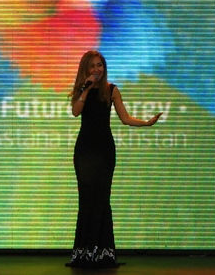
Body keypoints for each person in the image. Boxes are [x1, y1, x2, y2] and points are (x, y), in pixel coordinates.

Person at [66, 50, 162, 269]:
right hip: (85, 151)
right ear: (86, 69)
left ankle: (103, 254)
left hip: (104, 152)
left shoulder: (111, 90)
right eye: (92, 66)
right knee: (86, 200)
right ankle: (83, 254)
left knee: (101, 200)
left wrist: (146, 123)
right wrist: (86, 87)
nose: (97, 69)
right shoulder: (81, 89)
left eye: (100, 65)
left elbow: (125, 118)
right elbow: (76, 112)